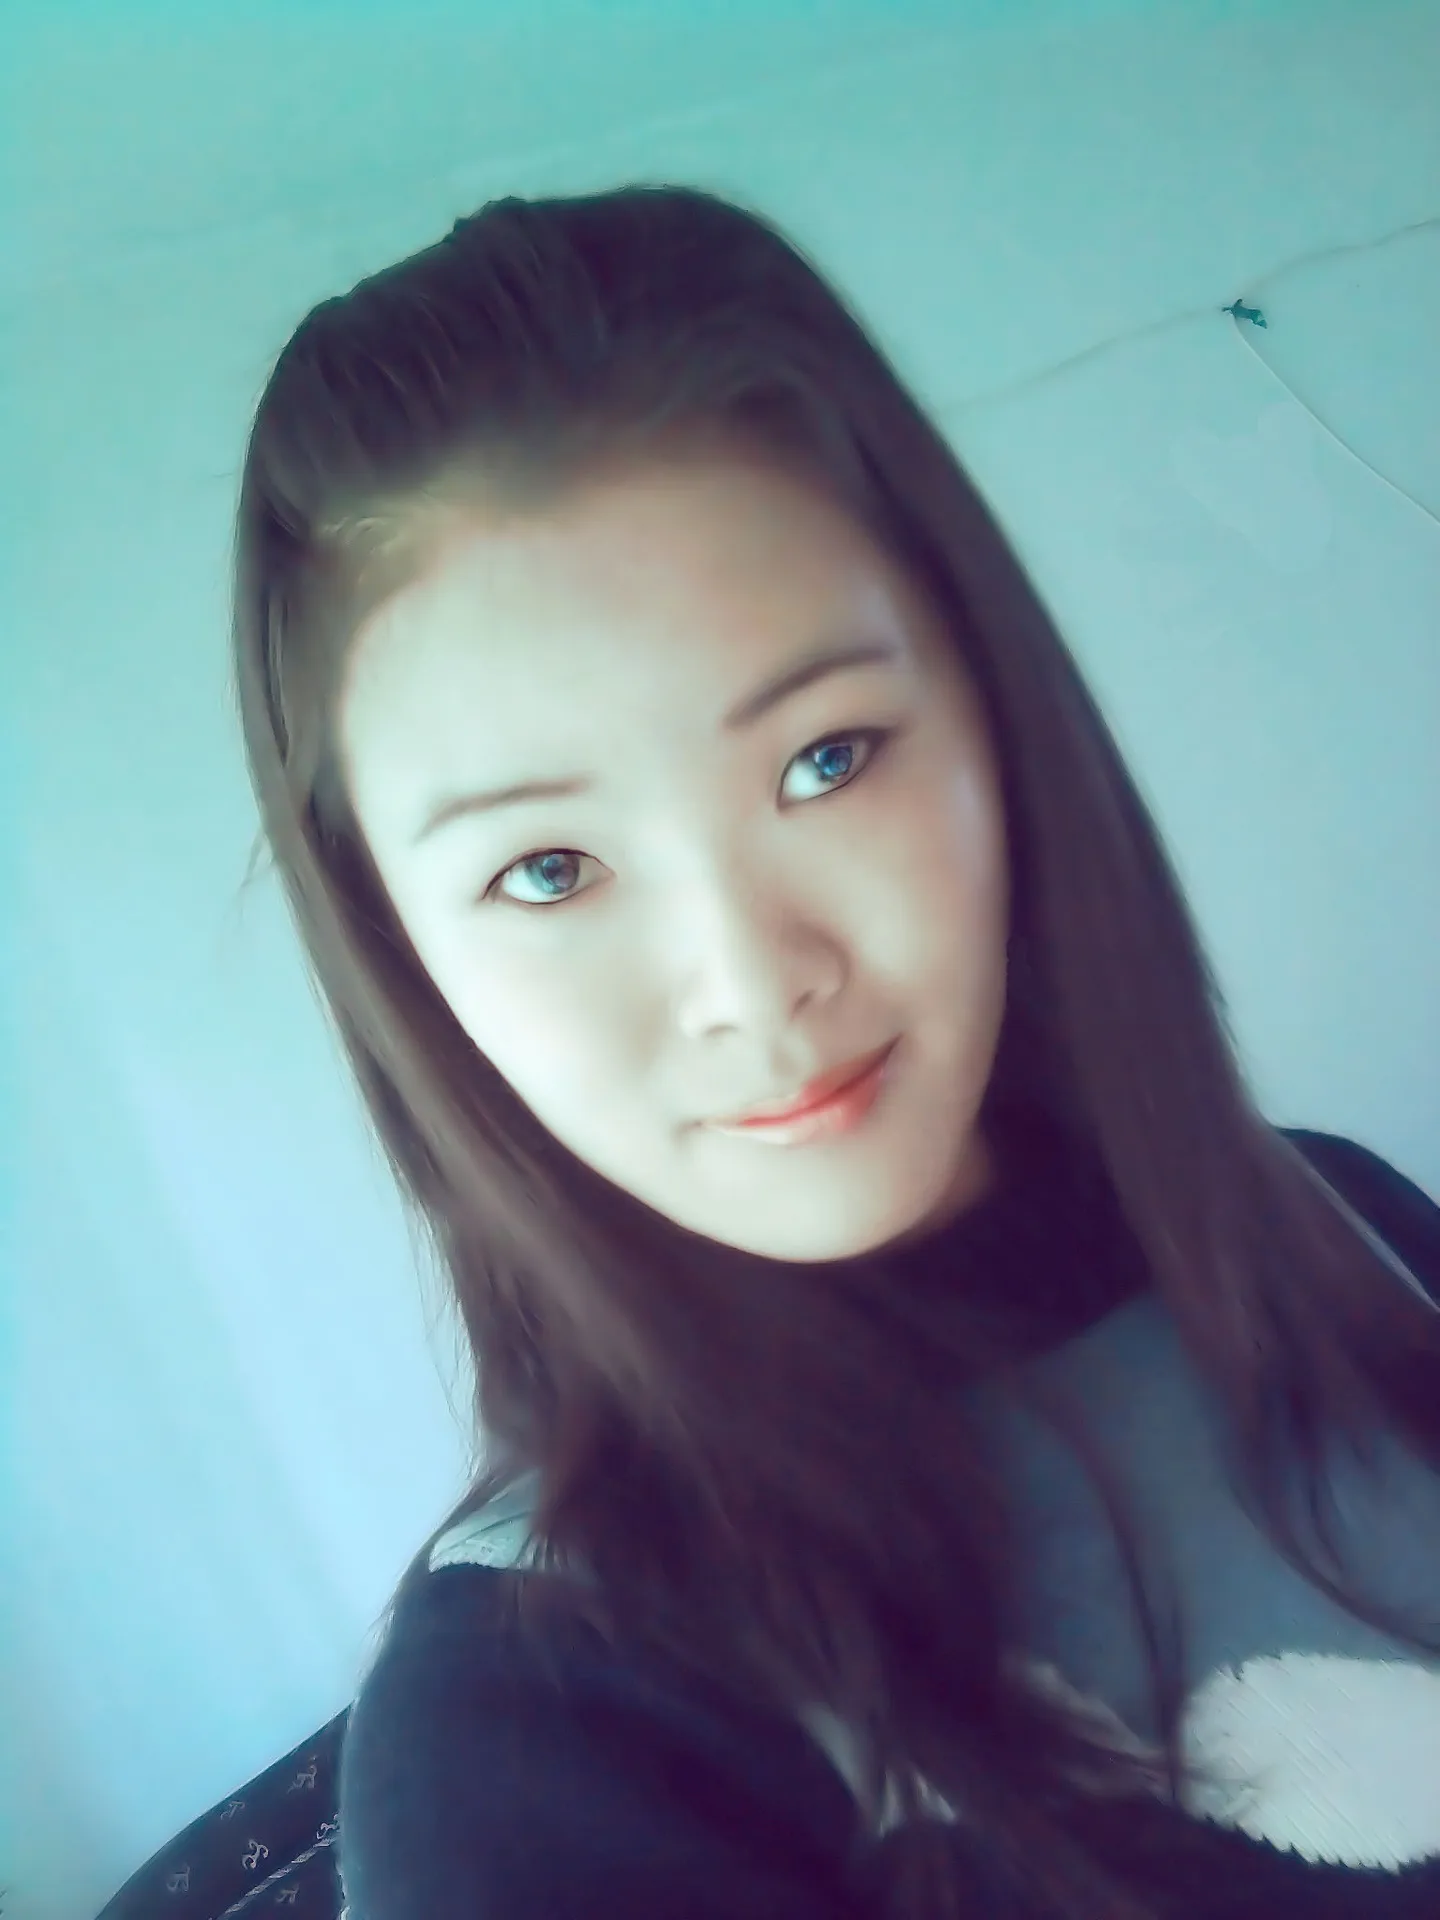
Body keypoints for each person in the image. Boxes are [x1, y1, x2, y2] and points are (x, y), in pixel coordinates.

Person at [230, 185, 1440, 1920]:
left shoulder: (1336, 1224)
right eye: (549, 869)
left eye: (827, 759)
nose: (751, 981)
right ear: (400, 948)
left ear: (993, 715)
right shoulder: (537, 1738)